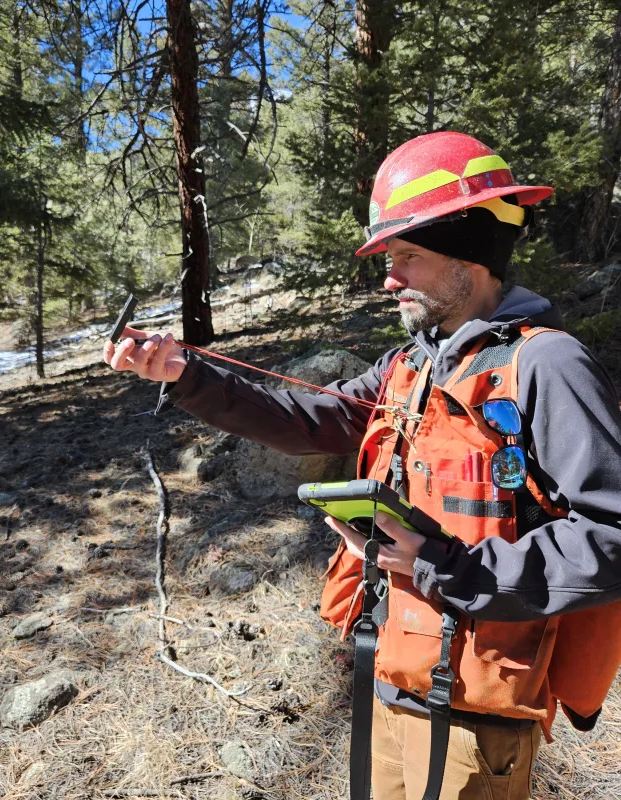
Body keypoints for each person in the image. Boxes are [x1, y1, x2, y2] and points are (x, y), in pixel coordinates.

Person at [104, 131, 621, 800]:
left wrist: (449, 566)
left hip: (476, 709)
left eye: (408, 255)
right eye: (388, 257)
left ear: (472, 257)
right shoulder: (413, 365)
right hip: (387, 675)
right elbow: (304, 419)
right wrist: (184, 372)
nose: (388, 277)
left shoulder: (547, 365)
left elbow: (609, 536)